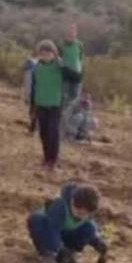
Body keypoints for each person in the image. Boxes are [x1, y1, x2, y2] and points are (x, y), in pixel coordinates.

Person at [26, 183, 108, 263]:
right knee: (36, 219)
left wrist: (97, 243)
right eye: (79, 212)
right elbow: (53, 231)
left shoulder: (86, 215)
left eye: (85, 214)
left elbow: (90, 232)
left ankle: (68, 253)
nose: (80, 216)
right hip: (48, 232)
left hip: (66, 234)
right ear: (72, 201)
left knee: (89, 228)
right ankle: (48, 253)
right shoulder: (59, 206)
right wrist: (60, 251)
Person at [31, 39, 76, 171]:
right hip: (41, 104)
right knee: (43, 133)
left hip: (55, 105)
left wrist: (63, 67)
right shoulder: (37, 68)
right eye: (42, 53)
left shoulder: (59, 67)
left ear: (54, 53)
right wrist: (32, 107)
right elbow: (34, 88)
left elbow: (76, 77)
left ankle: (53, 161)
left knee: (53, 133)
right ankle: (46, 159)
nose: (45, 55)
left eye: (48, 53)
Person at [59, 22, 84, 111]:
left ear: (76, 33)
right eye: (69, 31)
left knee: (75, 97)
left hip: (76, 73)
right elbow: (59, 59)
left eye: (73, 31)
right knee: (63, 96)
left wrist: (80, 71)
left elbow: (81, 59)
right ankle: (62, 116)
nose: (70, 33)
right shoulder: (61, 45)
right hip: (65, 73)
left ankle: (71, 116)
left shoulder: (79, 45)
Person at [23, 54, 38, 134]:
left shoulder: (29, 69)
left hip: (35, 93)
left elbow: (27, 84)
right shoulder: (39, 66)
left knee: (33, 111)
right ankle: (34, 128)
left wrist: (27, 97)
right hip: (40, 93)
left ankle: (32, 129)